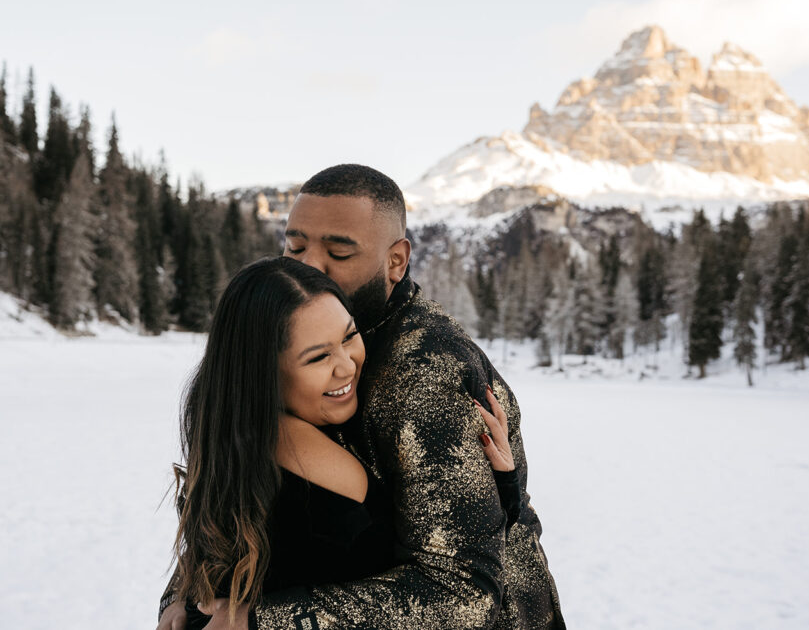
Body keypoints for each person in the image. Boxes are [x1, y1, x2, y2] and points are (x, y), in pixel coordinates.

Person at [159, 164, 565, 629]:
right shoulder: (284, 336)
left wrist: (265, 621)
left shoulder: (426, 378)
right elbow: (232, 491)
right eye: (295, 246)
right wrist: (189, 596)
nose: (308, 266)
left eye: (338, 251)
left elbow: (464, 593)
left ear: (395, 261)